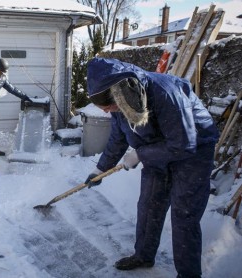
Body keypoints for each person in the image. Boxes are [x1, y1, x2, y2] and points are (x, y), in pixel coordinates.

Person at [84, 58, 219, 278]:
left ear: (122, 95)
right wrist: (100, 169)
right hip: (156, 149)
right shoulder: (120, 104)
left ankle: (188, 274)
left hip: (193, 151)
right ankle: (143, 255)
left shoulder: (166, 94)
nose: (108, 113)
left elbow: (184, 144)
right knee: (149, 206)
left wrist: (140, 154)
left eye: (109, 107)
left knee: (184, 214)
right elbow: (118, 138)